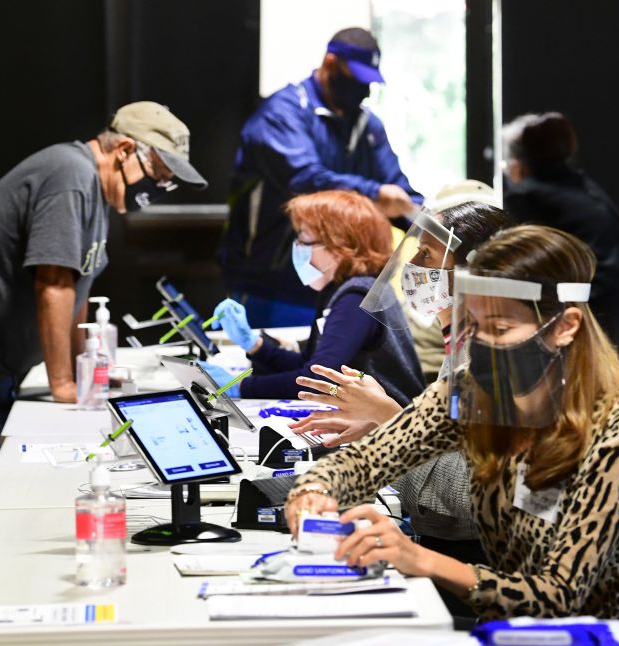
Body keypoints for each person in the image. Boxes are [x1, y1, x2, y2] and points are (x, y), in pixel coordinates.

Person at [284, 225, 619, 622]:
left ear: (566, 327)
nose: (479, 346)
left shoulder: (618, 433)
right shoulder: (475, 391)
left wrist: (418, 559)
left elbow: (558, 596)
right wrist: (314, 489)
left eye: (500, 330)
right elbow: (369, 459)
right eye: (473, 326)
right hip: (499, 626)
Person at [0, 102, 208, 502]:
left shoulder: (95, 191)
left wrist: (85, 372)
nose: (155, 189)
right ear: (123, 151)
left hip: (0, 364)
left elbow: (77, 287)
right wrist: (64, 382)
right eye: (158, 175)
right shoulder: (71, 174)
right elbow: (53, 283)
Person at [289, 198, 508, 621]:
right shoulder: (462, 348)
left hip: (473, 578)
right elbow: (457, 448)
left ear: (474, 274)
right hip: (451, 560)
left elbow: (464, 501)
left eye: (426, 256)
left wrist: (390, 420)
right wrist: (383, 426)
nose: (413, 269)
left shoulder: (495, 360)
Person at [220, 27, 423, 328]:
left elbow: (399, 193)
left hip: (338, 286)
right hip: (269, 282)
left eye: (369, 82)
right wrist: (376, 196)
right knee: (262, 365)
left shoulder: (368, 127)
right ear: (330, 63)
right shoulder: (282, 114)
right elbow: (306, 181)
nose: (363, 90)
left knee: (320, 370)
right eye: (357, 79)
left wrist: (432, 224)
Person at [502, 112, 619, 418]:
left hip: (611, 304)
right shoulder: (584, 185)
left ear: (518, 163)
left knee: (603, 412)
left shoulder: (527, 193)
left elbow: (521, 262)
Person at [205, 190, 424, 404]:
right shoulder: (341, 289)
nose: (297, 246)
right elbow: (310, 366)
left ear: (339, 245)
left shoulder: (356, 298)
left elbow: (316, 380)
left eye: (302, 237)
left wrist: (239, 387)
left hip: (389, 427)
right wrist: (255, 346)